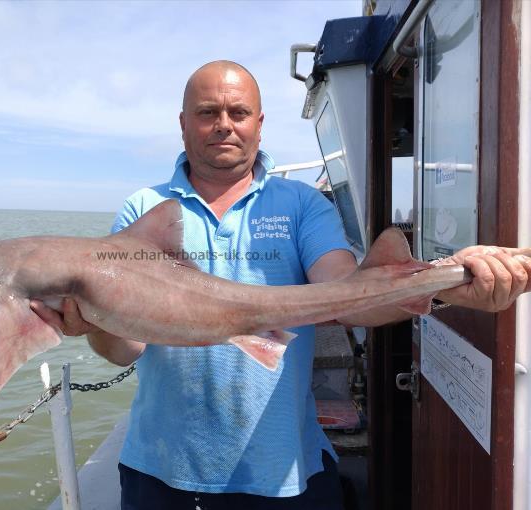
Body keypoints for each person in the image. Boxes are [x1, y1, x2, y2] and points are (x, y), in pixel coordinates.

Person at [32, 61, 531, 509]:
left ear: (259, 123)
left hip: (286, 469)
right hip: (164, 469)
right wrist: (92, 322)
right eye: (207, 113)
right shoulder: (144, 210)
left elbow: (348, 295)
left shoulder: (301, 204)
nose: (224, 125)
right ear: (183, 124)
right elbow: (125, 350)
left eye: (238, 112)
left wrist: (443, 285)